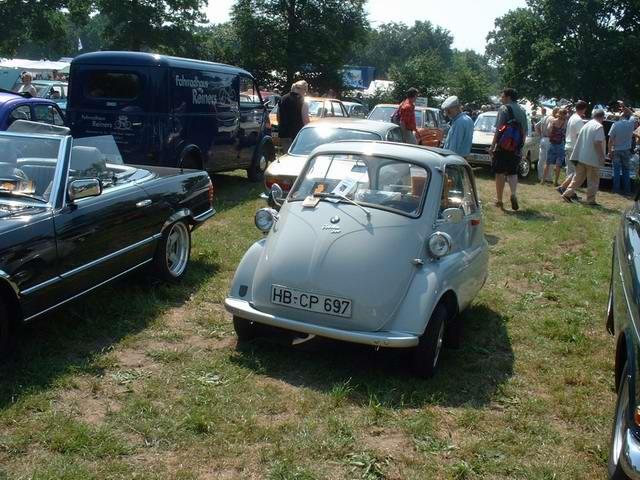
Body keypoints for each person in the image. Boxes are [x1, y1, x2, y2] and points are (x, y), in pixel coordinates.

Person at [490, 88, 528, 211]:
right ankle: (513, 193)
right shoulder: (522, 110)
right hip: (516, 147)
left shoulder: (504, 109)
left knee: (500, 172)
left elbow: (499, 129)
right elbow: (524, 131)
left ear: (508, 97)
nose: (501, 99)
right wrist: (520, 146)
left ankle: (499, 200)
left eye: (502, 96)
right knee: (513, 172)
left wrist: (492, 146)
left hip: (503, 146)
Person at [561, 109, 607, 206]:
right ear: (602, 117)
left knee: (578, 178)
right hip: (592, 158)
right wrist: (601, 157)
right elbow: (597, 142)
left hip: (581, 156)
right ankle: (591, 200)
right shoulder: (599, 127)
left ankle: (567, 194)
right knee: (593, 180)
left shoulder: (586, 125)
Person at [557, 101, 588, 197]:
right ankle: (563, 188)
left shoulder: (572, 117)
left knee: (570, 171)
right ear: (584, 109)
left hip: (568, 146)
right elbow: (580, 136)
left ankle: (568, 191)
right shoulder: (578, 120)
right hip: (574, 147)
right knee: (577, 172)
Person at [609, 107, 636, 196]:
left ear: (621, 117)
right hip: (626, 150)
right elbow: (632, 114)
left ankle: (616, 189)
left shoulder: (615, 125)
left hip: (616, 149)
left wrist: (609, 151)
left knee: (616, 170)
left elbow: (610, 139)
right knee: (626, 170)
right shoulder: (631, 123)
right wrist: (625, 108)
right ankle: (627, 190)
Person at [277, 80, 310, 153]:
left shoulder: (282, 98)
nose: (305, 93)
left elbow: (278, 116)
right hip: (297, 134)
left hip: (284, 132)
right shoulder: (303, 101)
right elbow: (305, 120)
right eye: (305, 90)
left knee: (286, 155)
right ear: (302, 89)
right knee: (296, 155)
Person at [541, 108, 568, 186]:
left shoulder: (553, 121)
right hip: (561, 144)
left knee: (548, 163)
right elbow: (566, 134)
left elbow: (549, 131)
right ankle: (556, 182)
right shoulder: (565, 123)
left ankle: (543, 180)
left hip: (552, 143)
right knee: (558, 164)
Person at [536, 107, 554, 181]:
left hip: (543, 138)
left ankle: (540, 176)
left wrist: (540, 135)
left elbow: (536, 126)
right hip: (549, 139)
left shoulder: (544, 118)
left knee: (541, 159)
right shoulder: (552, 118)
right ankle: (549, 177)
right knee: (549, 159)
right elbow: (550, 128)